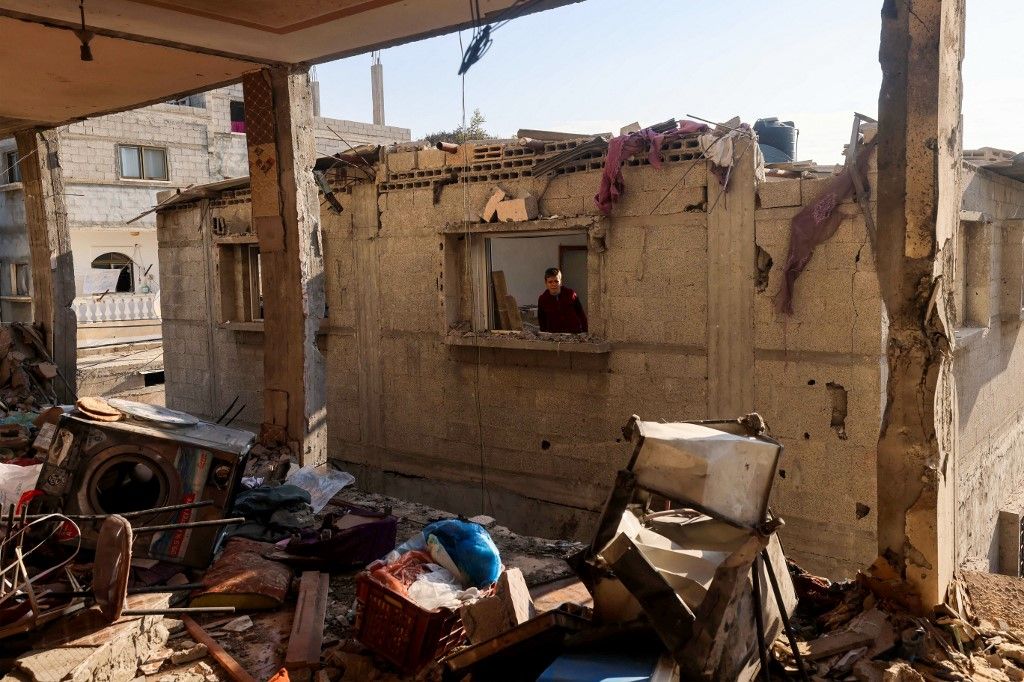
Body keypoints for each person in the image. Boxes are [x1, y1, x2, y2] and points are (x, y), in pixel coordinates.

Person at [537, 267, 588, 333]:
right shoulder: (543, 299)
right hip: (554, 336)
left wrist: (585, 331)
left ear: (560, 282)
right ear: (546, 283)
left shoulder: (571, 294)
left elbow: (581, 314)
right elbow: (542, 320)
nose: (553, 284)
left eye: (556, 281)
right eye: (550, 282)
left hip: (574, 334)